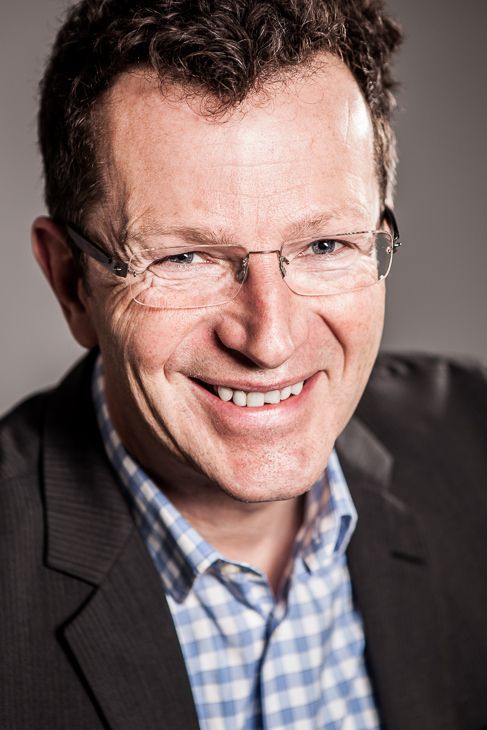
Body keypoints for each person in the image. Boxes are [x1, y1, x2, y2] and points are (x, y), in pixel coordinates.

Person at [1, 0, 486, 728]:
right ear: (73, 282)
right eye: (184, 257)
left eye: (325, 245)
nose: (270, 340)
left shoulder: (475, 444)